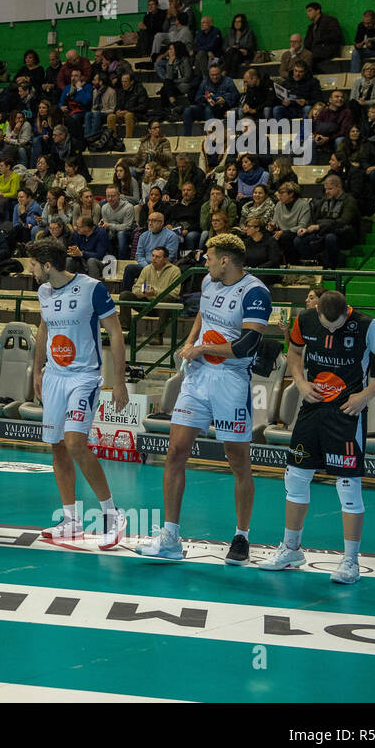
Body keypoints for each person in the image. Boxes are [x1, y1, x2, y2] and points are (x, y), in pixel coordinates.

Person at [138, 233, 271, 563]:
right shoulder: (209, 285)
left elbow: (247, 345)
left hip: (230, 380)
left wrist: (204, 348)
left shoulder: (255, 292)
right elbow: (203, 315)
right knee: (175, 451)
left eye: (209, 257)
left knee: (237, 460)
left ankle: (242, 536)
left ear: (225, 260)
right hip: (197, 379)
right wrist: (190, 342)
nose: (205, 262)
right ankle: (170, 537)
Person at [261, 291, 375, 584]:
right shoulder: (305, 320)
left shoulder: (367, 325)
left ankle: (350, 562)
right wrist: (299, 382)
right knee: (296, 477)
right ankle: (291, 549)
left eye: (337, 326)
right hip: (312, 407)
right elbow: (295, 352)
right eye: (326, 325)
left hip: (348, 412)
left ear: (345, 313)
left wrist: (365, 395)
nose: (331, 331)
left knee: (348, 486)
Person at [26, 238, 129, 546]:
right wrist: (37, 369)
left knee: (74, 443)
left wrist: (120, 382)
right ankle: (71, 520)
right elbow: (44, 329)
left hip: (84, 377)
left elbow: (115, 332)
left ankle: (113, 514)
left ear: (47, 265)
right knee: (57, 445)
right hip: (55, 376)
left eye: (32, 264)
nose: (29, 269)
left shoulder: (91, 288)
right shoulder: (43, 292)